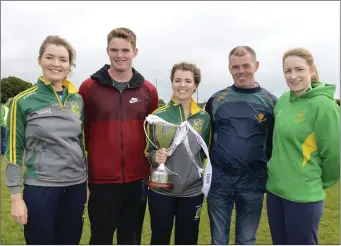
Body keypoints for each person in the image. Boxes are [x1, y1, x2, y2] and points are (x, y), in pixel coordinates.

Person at [79, 27, 158, 245]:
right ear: (107, 51)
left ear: (135, 51)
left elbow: (152, 136)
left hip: (137, 179)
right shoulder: (88, 88)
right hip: (101, 180)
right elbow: (79, 133)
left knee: (131, 238)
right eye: (114, 50)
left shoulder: (148, 90)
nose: (119, 55)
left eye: (125, 50)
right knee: (100, 236)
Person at [5, 36, 87, 245]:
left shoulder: (77, 99)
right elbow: (13, 149)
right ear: (40, 59)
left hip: (76, 186)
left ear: (69, 65)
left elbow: (80, 142)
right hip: (41, 187)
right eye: (50, 57)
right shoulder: (22, 101)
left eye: (63, 59)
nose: (56, 64)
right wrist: (15, 197)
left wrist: (86, 183)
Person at [266, 48, 340, 245]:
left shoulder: (324, 106)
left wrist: (313, 183)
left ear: (312, 71)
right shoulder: (282, 101)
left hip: (305, 196)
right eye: (287, 71)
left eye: (299, 69)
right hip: (275, 192)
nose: (293, 76)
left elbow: (334, 155)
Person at [205, 46, 277, 245]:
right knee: (218, 240)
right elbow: (205, 139)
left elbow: (275, 144)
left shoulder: (271, 102)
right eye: (236, 67)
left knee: (246, 240)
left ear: (256, 65)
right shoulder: (215, 100)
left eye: (246, 65)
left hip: (253, 184)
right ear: (229, 68)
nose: (241, 71)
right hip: (219, 184)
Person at [145, 62, 211, 245]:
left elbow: (204, 154)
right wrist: (155, 157)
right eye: (178, 80)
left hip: (192, 191)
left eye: (188, 81)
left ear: (195, 85)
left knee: (188, 240)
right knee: (159, 239)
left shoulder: (204, 118)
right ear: (172, 83)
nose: (182, 85)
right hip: (161, 191)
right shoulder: (159, 115)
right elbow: (148, 151)